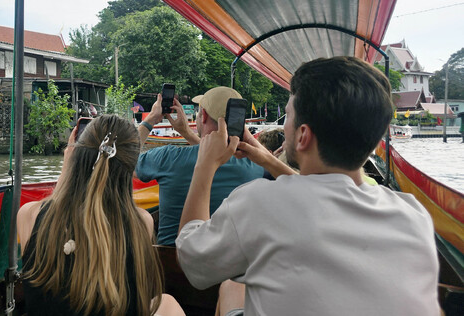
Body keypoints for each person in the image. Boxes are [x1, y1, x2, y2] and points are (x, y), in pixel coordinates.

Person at [177, 56, 439, 315]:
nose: (285, 125)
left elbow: (191, 260)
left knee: (230, 286)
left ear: (303, 135)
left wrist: (204, 166)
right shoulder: (414, 215)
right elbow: (322, 193)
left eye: (288, 115)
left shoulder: (258, 203)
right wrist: (267, 158)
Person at [18, 115, 184, 316]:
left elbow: (59, 208)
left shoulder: (29, 215)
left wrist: (68, 170)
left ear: (74, 157)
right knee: (166, 303)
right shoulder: (141, 222)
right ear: (131, 168)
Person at [135, 87, 264, 246]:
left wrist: (151, 119)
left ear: (203, 116)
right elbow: (213, 155)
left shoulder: (168, 158)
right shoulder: (258, 165)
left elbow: (125, 160)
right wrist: (186, 132)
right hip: (235, 267)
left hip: (171, 266)